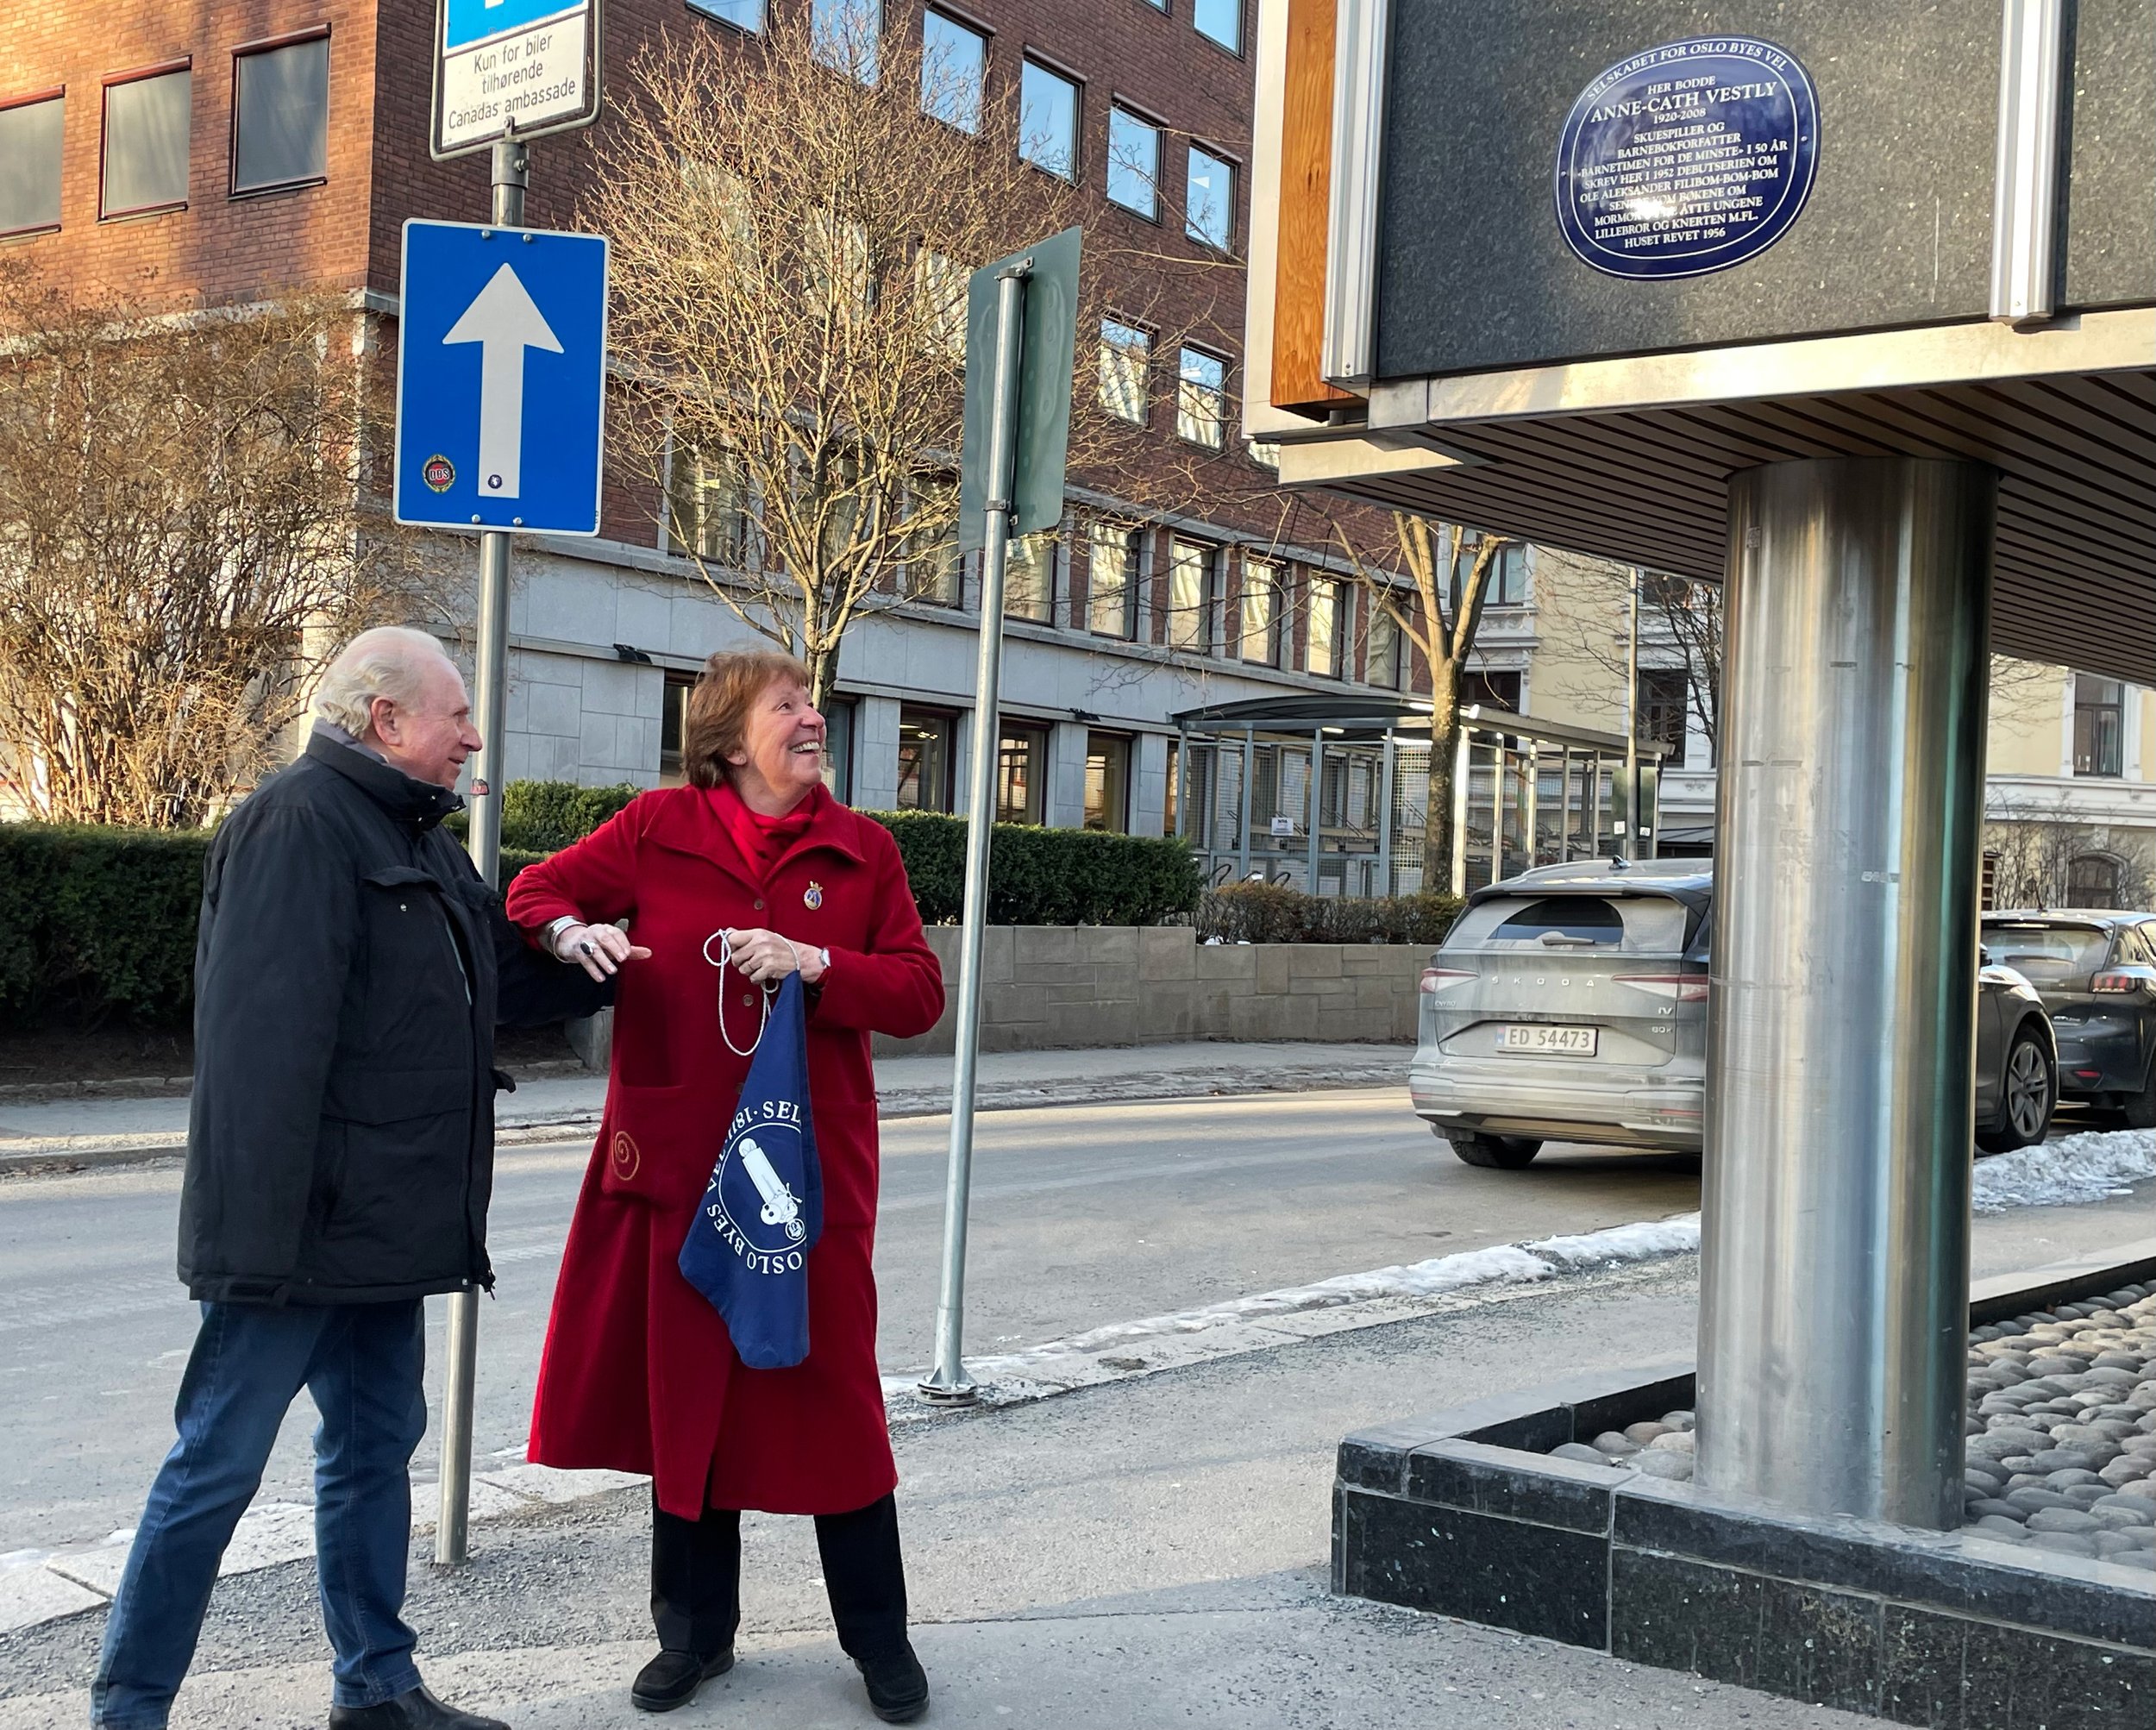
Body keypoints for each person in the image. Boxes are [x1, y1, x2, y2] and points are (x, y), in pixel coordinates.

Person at [91, 628, 607, 1730]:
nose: (474, 736)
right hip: (297, 1236)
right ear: (387, 720)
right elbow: (259, 1052)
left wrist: (580, 946)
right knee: (215, 1470)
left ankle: (375, 1686)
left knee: (373, 1455)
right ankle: (128, 1709)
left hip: (388, 1232)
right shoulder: (297, 824)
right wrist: (258, 1250)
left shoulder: (418, 838)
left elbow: (482, 991)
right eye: (458, 714)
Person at [504, 649, 943, 1722]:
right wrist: (579, 932)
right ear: (728, 736)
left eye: (812, 704)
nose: (812, 718)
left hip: (804, 1183)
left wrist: (817, 963)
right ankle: (693, 1636)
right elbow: (535, 889)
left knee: (832, 1396)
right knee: (687, 1401)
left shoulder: (861, 849)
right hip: (674, 1169)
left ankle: (878, 1639)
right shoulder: (656, 827)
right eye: (786, 706)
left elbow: (920, 991)